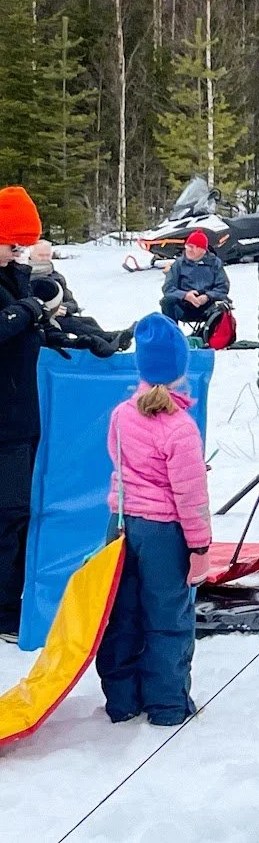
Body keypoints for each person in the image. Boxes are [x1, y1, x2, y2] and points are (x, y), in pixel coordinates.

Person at [96, 314, 210, 725]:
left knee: (121, 614)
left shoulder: (122, 415)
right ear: (181, 369)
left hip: (122, 523)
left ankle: (122, 700)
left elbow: (122, 462)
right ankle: (167, 705)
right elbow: (190, 497)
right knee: (168, 618)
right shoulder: (181, 428)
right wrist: (199, 547)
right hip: (165, 532)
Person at [0, 186, 44, 642]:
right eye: (13, 244)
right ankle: (2, 607)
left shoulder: (13, 274)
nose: (19, 254)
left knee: (21, 511)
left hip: (22, 413)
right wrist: (28, 308)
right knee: (8, 514)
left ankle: (14, 595)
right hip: (5, 422)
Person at [160, 229, 230, 325]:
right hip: (185, 305)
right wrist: (185, 295)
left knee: (222, 307)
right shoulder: (179, 264)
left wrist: (207, 296)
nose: (189, 250)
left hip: (208, 305)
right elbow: (167, 288)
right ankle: (172, 336)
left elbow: (223, 287)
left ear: (202, 249)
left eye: (192, 247)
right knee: (167, 302)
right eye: (187, 246)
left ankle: (214, 338)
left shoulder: (215, 263)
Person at [25, 241, 78, 314]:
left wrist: (62, 309)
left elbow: (72, 303)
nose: (45, 258)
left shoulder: (57, 277)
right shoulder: (22, 276)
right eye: (41, 255)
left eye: (48, 255)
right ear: (30, 255)